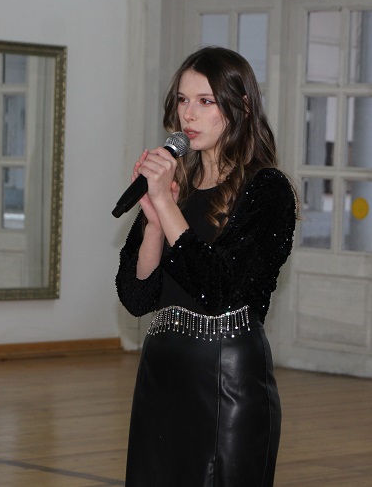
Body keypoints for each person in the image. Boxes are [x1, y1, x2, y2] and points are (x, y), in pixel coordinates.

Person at [115, 46, 296, 487]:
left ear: (241, 107)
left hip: (226, 380)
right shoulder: (176, 187)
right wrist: (154, 222)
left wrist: (165, 204)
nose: (188, 114)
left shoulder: (267, 190)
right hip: (162, 375)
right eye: (182, 99)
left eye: (205, 101)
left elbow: (216, 288)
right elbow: (137, 298)